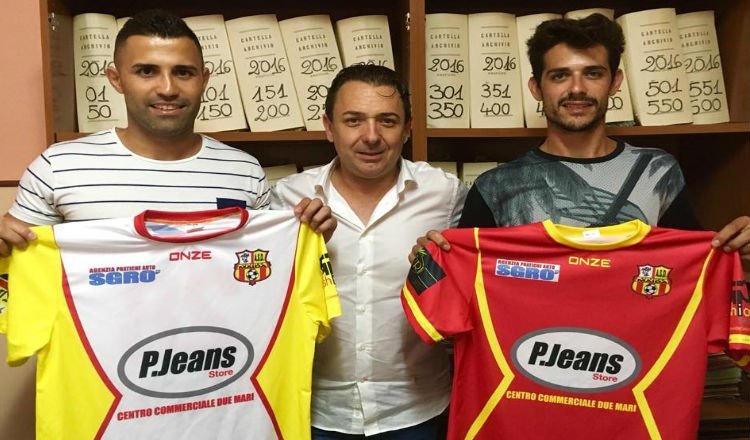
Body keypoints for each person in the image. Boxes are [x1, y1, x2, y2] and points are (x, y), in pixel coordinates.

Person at [412, 13, 750, 267]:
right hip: (532, 343)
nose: (577, 88)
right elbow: (465, 281)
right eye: (560, 75)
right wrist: (430, 261)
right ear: (536, 87)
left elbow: (695, 266)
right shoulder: (495, 187)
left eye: (593, 73)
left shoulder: (658, 171)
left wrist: (738, 246)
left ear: (615, 82)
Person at [0, 9, 334, 257]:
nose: (168, 88)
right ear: (116, 79)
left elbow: (263, 262)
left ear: (204, 79)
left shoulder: (243, 171)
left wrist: (310, 235)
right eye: (146, 71)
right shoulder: (58, 167)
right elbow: (21, 263)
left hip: (215, 334)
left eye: (183, 72)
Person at [271, 64, 468, 439]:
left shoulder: (445, 193)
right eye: (353, 120)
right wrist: (304, 249)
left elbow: (470, 295)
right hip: (318, 410)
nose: (372, 136)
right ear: (329, 127)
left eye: (387, 121)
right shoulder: (289, 197)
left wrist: (438, 270)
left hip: (417, 410)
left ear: (407, 128)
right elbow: (266, 302)